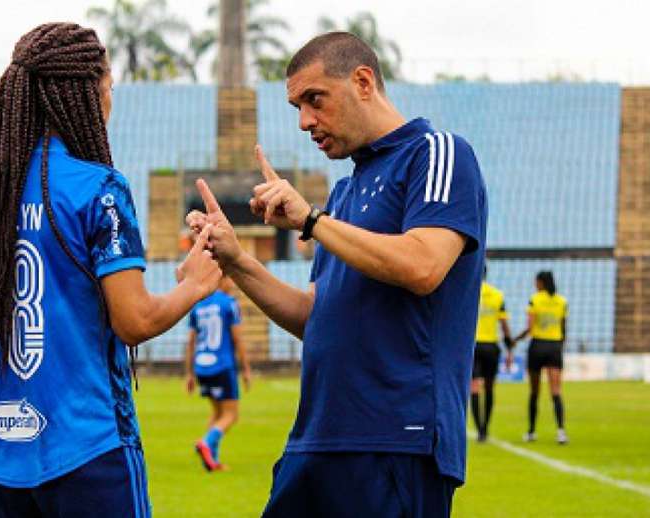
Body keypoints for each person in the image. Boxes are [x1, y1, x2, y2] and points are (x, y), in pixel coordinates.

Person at [189, 32, 487, 518]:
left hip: (394, 441)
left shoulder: (437, 154)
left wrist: (312, 221)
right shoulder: (347, 192)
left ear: (363, 82)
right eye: (297, 107)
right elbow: (315, 315)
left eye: (315, 100)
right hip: (316, 438)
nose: (305, 121)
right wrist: (238, 261)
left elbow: (423, 264)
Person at [0, 23, 221, 518]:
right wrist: (194, 286)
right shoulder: (99, 187)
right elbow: (134, 321)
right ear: (85, 93)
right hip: (88, 449)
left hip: (6, 456)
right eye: (109, 87)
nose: (111, 100)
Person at [184, 275, 251, 471]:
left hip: (202, 365)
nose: (233, 284)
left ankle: (211, 460)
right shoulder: (229, 303)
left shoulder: (198, 305)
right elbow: (237, 339)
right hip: (222, 365)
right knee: (231, 415)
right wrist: (246, 369)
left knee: (217, 413)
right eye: (231, 279)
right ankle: (206, 443)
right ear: (222, 280)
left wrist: (189, 373)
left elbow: (190, 342)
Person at [513, 271, 569, 445]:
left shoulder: (535, 300)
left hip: (537, 346)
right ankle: (561, 432)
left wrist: (515, 339)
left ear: (541, 283)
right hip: (554, 347)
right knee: (556, 391)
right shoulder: (562, 301)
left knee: (534, 392)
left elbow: (529, 328)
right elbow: (564, 328)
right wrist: (560, 346)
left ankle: (531, 431)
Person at [471, 266, 513, 442]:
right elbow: (504, 325)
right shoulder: (497, 295)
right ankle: (485, 428)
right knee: (489, 388)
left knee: (474, 388)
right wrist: (510, 349)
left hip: (473, 346)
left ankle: (479, 429)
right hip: (491, 347)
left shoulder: (468, 292)